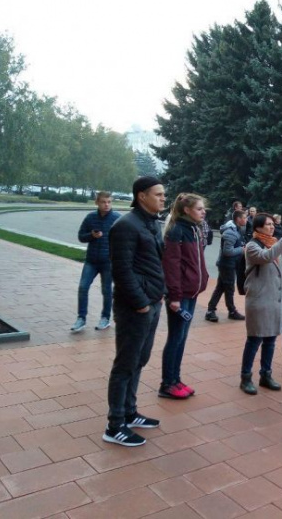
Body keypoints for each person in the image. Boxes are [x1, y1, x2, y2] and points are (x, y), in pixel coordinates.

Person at [104, 177, 166, 447]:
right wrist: (141, 302)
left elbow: (154, 263)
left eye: (164, 194)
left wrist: (157, 297)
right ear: (142, 196)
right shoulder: (125, 226)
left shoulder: (151, 223)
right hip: (135, 307)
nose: (163, 198)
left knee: (140, 359)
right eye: (158, 194)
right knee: (125, 365)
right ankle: (115, 425)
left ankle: (129, 412)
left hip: (152, 303)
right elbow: (121, 271)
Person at [240, 214, 282, 395]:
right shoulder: (253, 246)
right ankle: (245, 377)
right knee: (254, 340)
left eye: (272, 224)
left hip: (276, 301)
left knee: (270, 340)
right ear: (257, 227)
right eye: (267, 225)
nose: (271, 227)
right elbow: (267, 257)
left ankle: (265, 375)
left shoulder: (275, 243)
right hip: (260, 301)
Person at [159, 193, 210, 399]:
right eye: (199, 209)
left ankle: (175, 379)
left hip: (191, 292)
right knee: (175, 338)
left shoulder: (193, 229)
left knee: (181, 338)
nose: (203, 212)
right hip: (180, 295)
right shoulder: (177, 231)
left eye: (203, 208)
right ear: (187, 210)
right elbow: (171, 266)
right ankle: (167, 384)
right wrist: (175, 297)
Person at [71, 191, 121, 333]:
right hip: (91, 261)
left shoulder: (117, 219)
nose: (106, 205)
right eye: (103, 202)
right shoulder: (90, 217)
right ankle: (81, 319)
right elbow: (81, 237)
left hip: (108, 262)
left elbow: (125, 240)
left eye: (109, 202)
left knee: (106, 290)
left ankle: (105, 318)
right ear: (97, 203)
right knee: (83, 287)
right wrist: (91, 235)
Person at [205, 210, 247, 322]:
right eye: (244, 217)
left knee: (221, 287)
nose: (246, 219)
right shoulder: (230, 232)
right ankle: (231, 311)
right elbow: (227, 251)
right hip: (227, 265)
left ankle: (211, 310)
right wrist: (242, 249)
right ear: (238, 219)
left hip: (229, 264)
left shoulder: (236, 230)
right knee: (229, 288)